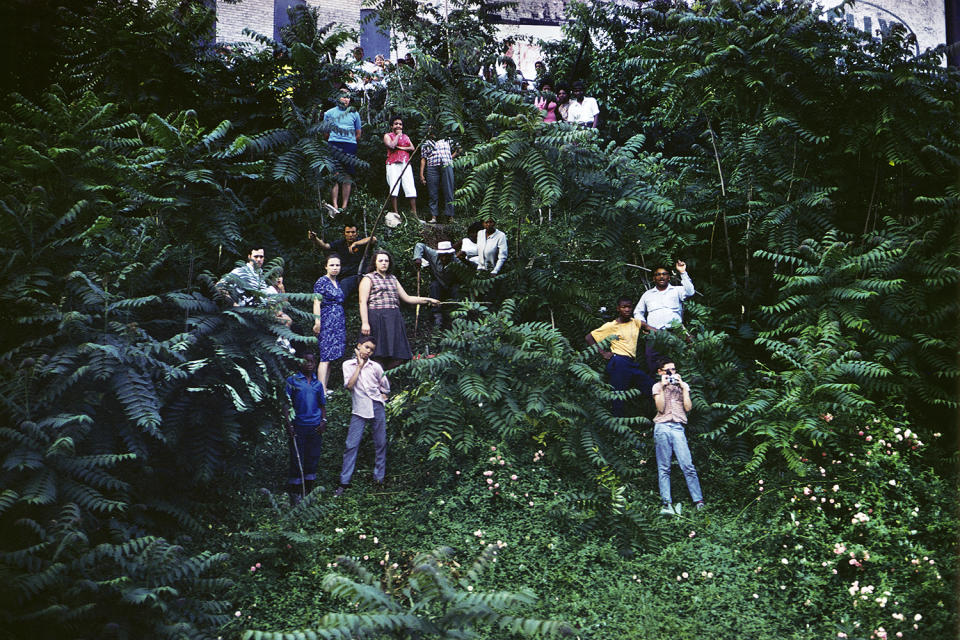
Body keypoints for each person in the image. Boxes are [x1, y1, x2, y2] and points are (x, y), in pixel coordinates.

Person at [359, 250, 438, 369]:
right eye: (380, 261)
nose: (384, 263)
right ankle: (378, 382)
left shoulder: (393, 279)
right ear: (375, 263)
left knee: (399, 354)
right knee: (378, 353)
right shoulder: (368, 278)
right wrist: (365, 323)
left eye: (386, 261)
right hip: (376, 317)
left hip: (393, 318)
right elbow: (362, 302)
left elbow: (407, 298)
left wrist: (429, 300)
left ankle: (386, 381)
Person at [334, 335, 390, 497]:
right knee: (351, 444)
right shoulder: (348, 364)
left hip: (376, 406)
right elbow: (349, 386)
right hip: (359, 408)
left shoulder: (376, 367)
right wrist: (359, 366)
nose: (368, 351)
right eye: (366, 347)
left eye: (371, 349)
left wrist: (383, 397)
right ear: (359, 346)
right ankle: (344, 482)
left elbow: (385, 386)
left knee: (380, 443)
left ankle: (379, 478)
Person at [585, 296, 656, 417]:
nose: (627, 309)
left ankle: (656, 418)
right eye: (624, 307)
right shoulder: (611, 325)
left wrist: (673, 335)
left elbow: (654, 330)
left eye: (629, 307)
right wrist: (603, 353)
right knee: (618, 397)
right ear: (618, 308)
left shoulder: (636, 322)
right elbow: (589, 338)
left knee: (653, 388)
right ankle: (617, 428)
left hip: (631, 363)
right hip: (618, 362)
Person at [651, 359, 703, 515]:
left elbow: (688, 408)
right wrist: (662, 386)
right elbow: (660, 408)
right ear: (660, 372)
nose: (671, 373)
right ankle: (667, 504)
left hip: (678, 428)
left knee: (688, 465)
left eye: (673, 370)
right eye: (668, 371)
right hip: (662, 426)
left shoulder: (683, 387)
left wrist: (684, 388)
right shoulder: (657, 386)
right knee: (664, 467)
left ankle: (699, 501)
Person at [634, 260, 695, 373]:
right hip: (654, 334)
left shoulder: (677, 290)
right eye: (658, 274)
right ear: (654, 278)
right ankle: (656, 389)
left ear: (669, 277)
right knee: (653, 364)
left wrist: (683, 272)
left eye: (664, 274)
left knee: (675, 364)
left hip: (675, 333)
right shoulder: (647, 295)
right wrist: (644, 325)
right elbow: (638, 312)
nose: (661, 276)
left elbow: (690, 292)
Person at [283, 351, 327, 505]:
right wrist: (289, 424)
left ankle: (308, 491)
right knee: (297, 459)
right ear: (299, 363)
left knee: (312, 458)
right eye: (306, 361)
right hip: (298, 427)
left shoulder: (317, 384)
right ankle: (295, 493)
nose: (309, 364)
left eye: (312, 362)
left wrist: (323, 421)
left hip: (315, 428)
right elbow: (286, 405)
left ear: (315, 364)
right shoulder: (292, 381)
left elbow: (322, 405)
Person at [307, 224, 377, 300]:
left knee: (344, 284)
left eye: (353, 232)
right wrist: (315, 238)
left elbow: (373, 239)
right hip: (341, 275)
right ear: (344, 233)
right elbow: (325, 246)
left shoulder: (361, 243)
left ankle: (338, 304)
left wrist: (356, 243)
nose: (350, 235)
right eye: (348, 232)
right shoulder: (340, 243)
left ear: (356, 233)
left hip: (358, 276)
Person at [323, 88, 363, 215]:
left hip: (350, 145)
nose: (345, 99)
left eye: (348, 97)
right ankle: (334, 206)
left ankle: (344, 206)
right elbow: (325, 133)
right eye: (343, 96)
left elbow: (358, 133)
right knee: (334, 174)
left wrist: (349, 140)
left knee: (347, 175)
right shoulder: (329, 113)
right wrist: (335, 140)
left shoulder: (354, 114)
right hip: (334, 145)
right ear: (337, 98)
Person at [312, 253, 346, 393]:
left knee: (331, 356)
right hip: (326, 321)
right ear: (326, 266)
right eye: (332, 265)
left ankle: (325, 387)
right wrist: (317, 321)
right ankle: (321, 391)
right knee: (325, 355)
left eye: (337, 265)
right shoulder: (321, 282)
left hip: (338, 322)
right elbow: (316, 302)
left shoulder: (337, 282)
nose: (335, 268)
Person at [413, 241, 462, 328]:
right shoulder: (433, 255)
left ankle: (457, 317)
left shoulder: (456, 261)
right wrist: (418, 258)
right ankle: (437, 316)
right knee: (434, 285)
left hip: (452, 285)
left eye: (447, 255)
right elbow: (419, 245)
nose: (444, 258)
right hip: (439, 284)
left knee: (457, 289)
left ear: (451, 254)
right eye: (442, 255)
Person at [419, 135, 458, 224]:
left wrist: (450, 157)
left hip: (446, 165)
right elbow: (423, 159)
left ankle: (450, 216)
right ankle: (434, 216)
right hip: (432, 166)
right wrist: (421, 175)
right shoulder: (426, 143)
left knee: (449, 190)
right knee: (432, 192)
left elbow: (459, 148)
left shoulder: (447, 139)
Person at [383, 117, 417, 218]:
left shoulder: (406, 136)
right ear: (391, 126)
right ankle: (395, 213)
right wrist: (397, 136)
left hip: (405, 163)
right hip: (393, 163)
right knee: (394, 187)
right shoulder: (388, 136)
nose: (398, 126)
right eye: (396, 124)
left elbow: (412, 148)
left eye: (400, 124)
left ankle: (414, 214)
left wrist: (401, 148)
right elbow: (392, 146)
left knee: (410, 186)